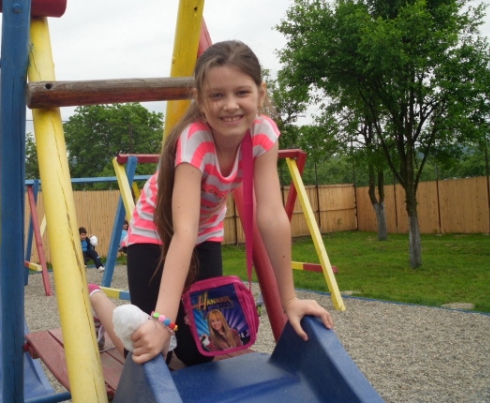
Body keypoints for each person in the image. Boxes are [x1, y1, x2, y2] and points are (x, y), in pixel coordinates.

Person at [122, 40, 333, 367]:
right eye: (217, 95)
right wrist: (162, 322)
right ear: (200, 100)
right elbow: (183, 230)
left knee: (201, 349)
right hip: (154, 231)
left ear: (260, 93)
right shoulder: (195, 140)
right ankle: (101, 304)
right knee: (151, 348)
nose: (230, 105)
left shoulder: (263, 134)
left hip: (206, 232)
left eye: (242, 92)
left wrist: (289, 299)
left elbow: (271, 214)